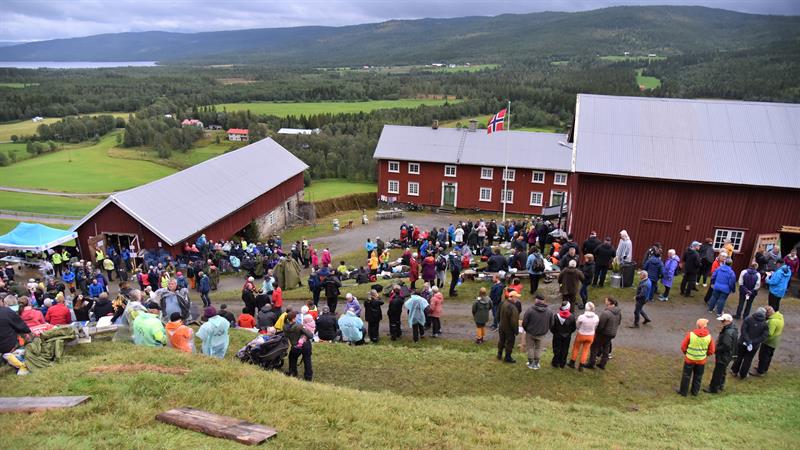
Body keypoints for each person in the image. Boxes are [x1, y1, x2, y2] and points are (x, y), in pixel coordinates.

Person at [677, 318, 715, 396]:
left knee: (686, 375)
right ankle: (695, 392)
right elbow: (711, 350)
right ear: (705, 326)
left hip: (689, 359)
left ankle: (683, 392)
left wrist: (687, 353)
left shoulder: (691, 335)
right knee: (698, 376)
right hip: (701, 360)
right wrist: (704, 355)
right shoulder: (709, 337)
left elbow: (683, 347)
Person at [730, 307, 769, 379]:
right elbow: (763, 336)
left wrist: (748, 341)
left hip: (743, 342)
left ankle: (734, 371)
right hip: (754, 345)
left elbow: (743, 330)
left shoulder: (748, 319)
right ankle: (743, 374)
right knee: (748, 359)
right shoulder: (765, 324)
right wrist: (752, 342)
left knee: (739, 356)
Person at [705, 313, 738, 394]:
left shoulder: (728, 332)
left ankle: (713, 388)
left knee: (718, 372)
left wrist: (715, 349)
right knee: (722, 371)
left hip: (723, 355)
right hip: (728, 355)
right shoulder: (733, 329)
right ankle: (720, 385)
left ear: (728, 321)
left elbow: (726, 346)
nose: (722, 322)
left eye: (723, 321)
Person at [587, 297, 621, 370]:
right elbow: (619, 323)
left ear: (609, 302)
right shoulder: (618, 312)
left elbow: (600, 325)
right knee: (606, 348)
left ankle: (591, 363)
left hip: (603, 333)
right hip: (612, 333)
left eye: (606, 300)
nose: (605, 301)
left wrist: (596, 332)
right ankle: (603, 364)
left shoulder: (606, 313)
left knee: (594, 347)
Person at [1, 296, 31, 375]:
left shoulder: (6, 311)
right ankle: (18, 355)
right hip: (9, 345)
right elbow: (22, 328)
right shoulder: (7, 312)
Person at [522, 294, 553, 370]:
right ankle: (536, 363)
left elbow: (524, 323)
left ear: (536, 300)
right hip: (541, 334)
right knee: (538, 349)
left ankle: (530, 363)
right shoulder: (549, 311)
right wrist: (545, 329)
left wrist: (527, 330)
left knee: (530, 348)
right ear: (543, 301)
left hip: (530, 333)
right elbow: (552, 323)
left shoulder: (530, 310)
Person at [752, 306, 784, 377]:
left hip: (768, 342)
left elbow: (769, 333)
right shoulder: (780, 317)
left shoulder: (772, 321)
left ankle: (760, 371)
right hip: (775, 341)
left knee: (763, 356)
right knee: (769, 356)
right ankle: (764, 369)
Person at [285, 311, 313, 381]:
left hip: (295, 346)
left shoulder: (284, 327)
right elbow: (310, 335)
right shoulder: (299, 326)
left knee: (292, 358)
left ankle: (293, 372)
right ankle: (308, 377)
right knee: (307, 360)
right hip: (305, 344)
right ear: (294, 319)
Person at [497, 291, 521, 363]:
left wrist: (499, 323)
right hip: (509, 329)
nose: (517, 299)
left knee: (501, 340)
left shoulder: (503, 303)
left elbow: (497, 314)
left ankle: (499, 354)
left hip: (501, 326)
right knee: (510, 342)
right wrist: (516, 331)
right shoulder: (513, 308)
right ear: (512, 297)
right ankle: (507, 357)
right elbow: (514, 321)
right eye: (516, 297)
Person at [550, 301, 576, 368]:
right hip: (567, 336)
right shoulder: (572, 317)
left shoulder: (556, 316)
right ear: (568, 308)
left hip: (557, 336)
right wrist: (568, 333)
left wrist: (555, 333)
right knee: (565, 349)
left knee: (556, 349)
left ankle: (555, 362)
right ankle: (562, 363)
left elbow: (552, 327)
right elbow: (574, 328)